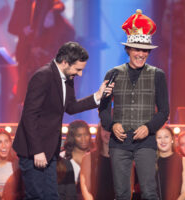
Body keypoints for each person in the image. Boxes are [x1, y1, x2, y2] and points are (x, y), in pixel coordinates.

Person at [13, 42, 113, 199]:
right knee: (36, 196)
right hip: (33, 150)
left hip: (49, 150)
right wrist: (37, 150)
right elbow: (29, 116)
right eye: (77, 69)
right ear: (65, 62)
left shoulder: (67, 77)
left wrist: (97, 97)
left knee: (52, 195)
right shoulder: (43, 76)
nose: (79, 74)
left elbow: (71, 107)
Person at [99, 9, 169, 200]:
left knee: (149, 192)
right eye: (137, 49)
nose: (141, 54)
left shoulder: (158, 75)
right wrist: (112, 125)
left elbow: (164, 111)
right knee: (121, 194)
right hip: (119, 142)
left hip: (145, 141)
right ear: (128, 49)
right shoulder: (113, 73)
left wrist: (149, 128)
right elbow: (103, 108)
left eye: (145, 50)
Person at [8, 0, 75, 102]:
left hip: (44, 57)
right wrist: (22, 30)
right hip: (25, 54)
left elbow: (60, 5)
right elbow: (11, 27)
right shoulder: (21, 2)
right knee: (24, 91)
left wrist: (51, 13)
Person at [57, 120, 93, 199]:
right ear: (72, 137)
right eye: (79, 135)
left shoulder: (94, 157)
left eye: (86, 134)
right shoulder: (62, 157)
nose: (83, 139)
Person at [156, 127, 185, 200]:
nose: (163, 140)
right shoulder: (150, 162)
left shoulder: (183, 161)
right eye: (159, 137)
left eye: (166, 137)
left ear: (172, 139)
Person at [80, 124, 115, 200]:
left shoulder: (125, 159)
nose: (108, 133)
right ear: (99, 131)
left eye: (111, 130)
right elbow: (86, 190)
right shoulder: (88, 158)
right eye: (105, 129)